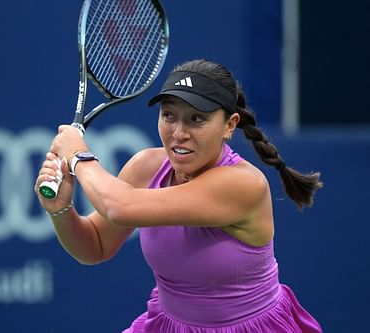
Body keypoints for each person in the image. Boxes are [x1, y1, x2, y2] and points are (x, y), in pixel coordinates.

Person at [35, 59, 323, 332]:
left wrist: (77, 155)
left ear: (230, 125)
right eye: (169, 115)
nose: (179, 133)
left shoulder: (244, 184)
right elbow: (95, 246)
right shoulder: (146, 167)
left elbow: (118, 206)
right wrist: (60, 210)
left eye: (196, 119)